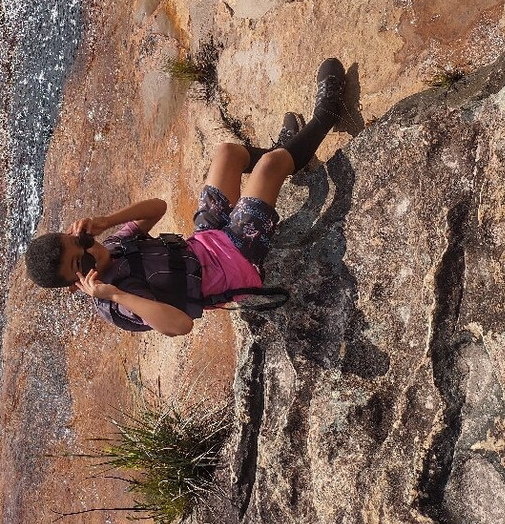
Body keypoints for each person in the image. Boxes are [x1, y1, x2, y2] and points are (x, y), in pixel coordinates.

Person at [24, 58, 350, 336]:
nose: (90, 251)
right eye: (80, 262)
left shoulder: (111, 246)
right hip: (236, 263)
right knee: (266, 167)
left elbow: (158, 208)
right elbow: (180, 325)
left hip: (206, 238)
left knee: (227, 153)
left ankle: (290, 156)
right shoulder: (116, 305)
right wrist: (116, 294)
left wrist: (106, 221)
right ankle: (327, 116)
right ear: (74, 284)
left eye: (80, 242)